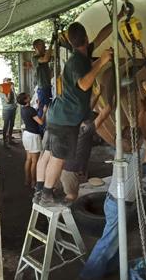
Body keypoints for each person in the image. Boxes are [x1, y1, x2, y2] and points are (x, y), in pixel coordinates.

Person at [78, 116, 146, 280]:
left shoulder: (121, 151)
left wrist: (139, 114)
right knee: (108, 242)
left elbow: (135, 134)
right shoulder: (137, 156)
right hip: (119, 204)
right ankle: (87, 275)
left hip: (112, 201)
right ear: (137, 143)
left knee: (117, 239)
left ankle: (111, 267)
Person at [36, 20, 116, 206]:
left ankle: (39, 190)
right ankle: (46, 195)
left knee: (48, 153)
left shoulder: (82, 52)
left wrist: (118, 17)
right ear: (85, 39)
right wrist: (102, 61)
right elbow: (84, 83)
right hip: (65, 118)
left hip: (58, 115)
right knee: (57, 158)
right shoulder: (76, 61)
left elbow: (102, 35)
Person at [17, 92, 46, 188]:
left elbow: (31, 115)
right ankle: (34, 182)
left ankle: (27, 180)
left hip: (26, 135)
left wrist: (37, 107)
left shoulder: (23, 110)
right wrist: (45, 112)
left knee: (28, 159)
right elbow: (41, 122)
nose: (30, 96)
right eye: (28, 96)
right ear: (26, 100)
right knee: (35, 161)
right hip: (33, 136)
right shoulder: (31, 110)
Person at [32, 39, 54, 120]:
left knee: (48, 108)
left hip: (47, 87)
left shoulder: (42, 56)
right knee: (42, 109)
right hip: (43, 89)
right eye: (42, 45)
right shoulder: (35, 58)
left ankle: (46, 128)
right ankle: (41, 129)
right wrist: (52, 43)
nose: (45, 47)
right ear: (36, 47)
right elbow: (46, 59)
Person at [0, 78, 17, 145]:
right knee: (6, 125)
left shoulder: (11, 90)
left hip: (13, 109)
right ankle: (4, 141)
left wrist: (13, 90)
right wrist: (10, 90)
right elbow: (8, 100)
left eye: (9, 83)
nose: (9, 84)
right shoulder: (2, 91)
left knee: (12, 125)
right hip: (6, 110)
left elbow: (16, 99)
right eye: (7, 83)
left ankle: (10, 139)